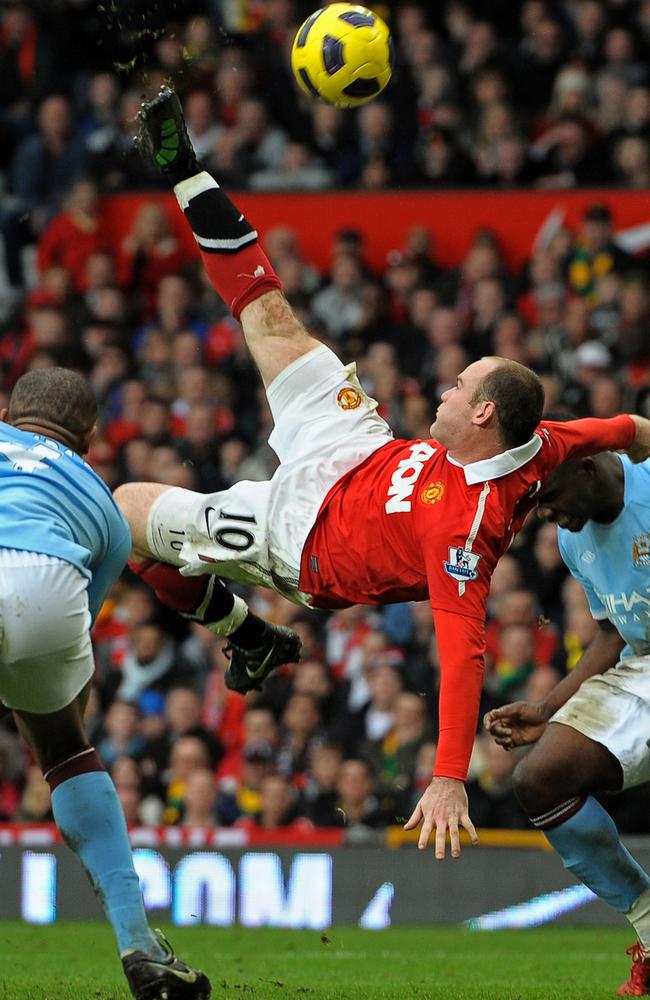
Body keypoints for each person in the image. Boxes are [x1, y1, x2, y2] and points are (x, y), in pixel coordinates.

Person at [115, 86, 650, 862]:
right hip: (358, 447)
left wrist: (448, 777)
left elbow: (462, 653)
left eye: (458, 387)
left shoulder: (462, 530)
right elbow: (629, 427)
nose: (444, 387)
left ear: (482, 418)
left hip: (307, 540)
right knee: (271, 316)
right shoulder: (543, 439)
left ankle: (246, 634)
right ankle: (187, 171)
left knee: (127, 511)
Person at [0, 367, 210, 1000]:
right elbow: (72, 631)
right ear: (89, 436)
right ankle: (140, 946)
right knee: (67, 751)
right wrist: (54, 739)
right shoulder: (105, 505)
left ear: (10, 416)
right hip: (50, 589)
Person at [485, 452, 650, 995]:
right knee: (539, 780)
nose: (544, 513)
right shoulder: (573, 539)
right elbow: (611, 631)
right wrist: (548, 707)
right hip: (643, 667)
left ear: (584, 468)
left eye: (548, 498)